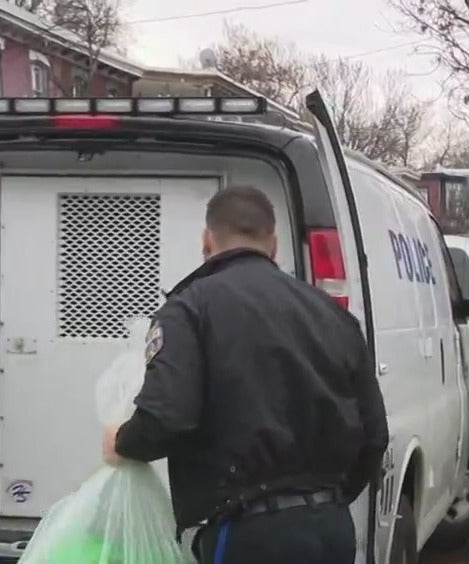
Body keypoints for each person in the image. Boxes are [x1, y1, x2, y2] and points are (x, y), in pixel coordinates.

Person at [102, 185, 389, 564]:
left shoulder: (189, 309)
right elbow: (375, 438)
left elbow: (167, 417)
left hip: (249, 536)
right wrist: (320, 502)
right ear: (273, 244)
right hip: (331, 529)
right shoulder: (333, 316)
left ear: (207, 239)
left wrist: (122, 443)